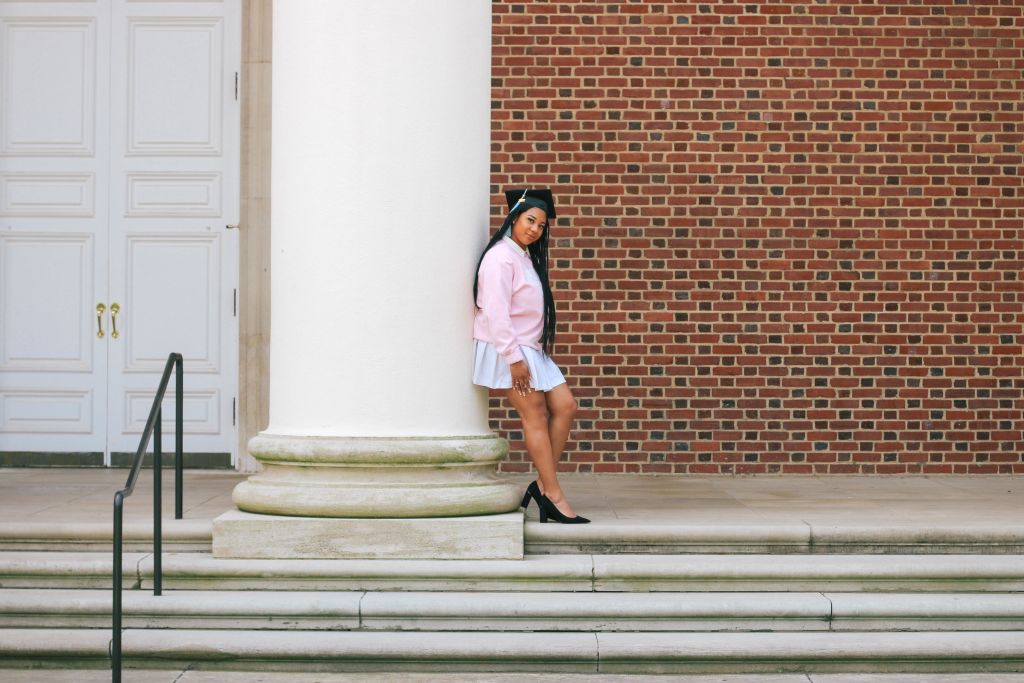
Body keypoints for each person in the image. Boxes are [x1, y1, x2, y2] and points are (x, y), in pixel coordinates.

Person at [472, 188, 589, 524]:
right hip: (509, 348)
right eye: (530, 220)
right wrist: (513, 358)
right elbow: (495, 312)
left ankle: (542, 484)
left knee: (565, 406)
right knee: (535, 414)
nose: (535, 229)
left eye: (541, 225)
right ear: (514, 217)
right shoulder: (499, 258)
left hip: (530, 348)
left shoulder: (522, 256)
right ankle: (553, 494)